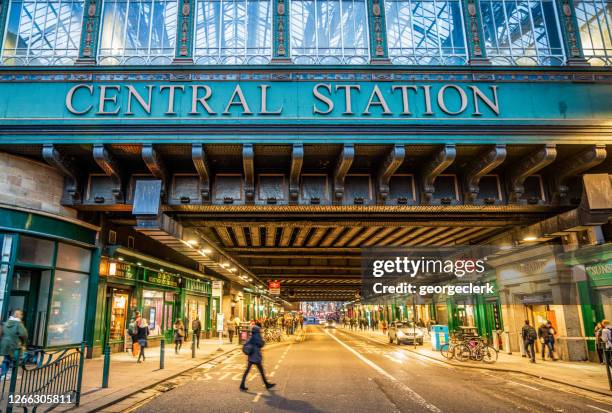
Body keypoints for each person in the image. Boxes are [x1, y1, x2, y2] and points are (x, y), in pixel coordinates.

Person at [239, 322, 275, 392]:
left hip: (251, 357)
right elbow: (261, 344)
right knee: (261, 371)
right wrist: (263, 341)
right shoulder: (257, 337)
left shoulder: (251, 337)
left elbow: (246, 344)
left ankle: (242, 384)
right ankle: (267, 384)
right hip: (256, 357)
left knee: (247, 371)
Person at [0, 309, 28, 376]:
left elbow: (2, 332)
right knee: (15, 360)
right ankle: (13, 375)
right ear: (18, 315)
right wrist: (23, 343)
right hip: (15, 344)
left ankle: (3, 374)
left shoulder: (7, 322)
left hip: (5, 344)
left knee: (6, 359)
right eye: (21, 314)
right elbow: (24, 334)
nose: (21, 316)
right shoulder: (18, 324)